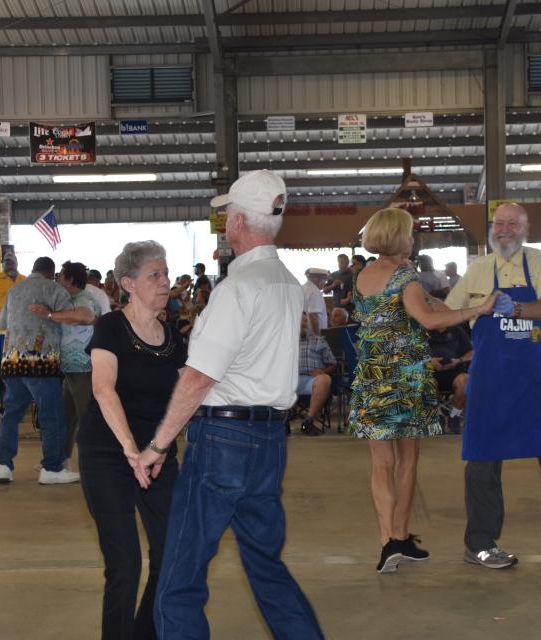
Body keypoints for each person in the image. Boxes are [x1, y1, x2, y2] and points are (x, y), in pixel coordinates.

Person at [135, 170, 324, 639]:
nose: (223, 223)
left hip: (223, 440)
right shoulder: (285, 280)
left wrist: (157, 447)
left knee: (181, 575)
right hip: (268, 440)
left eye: (225, 216)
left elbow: (201, 377)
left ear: (238, 221)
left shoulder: (237, 288)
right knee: (266, 567)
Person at [351, 207, 499, 573]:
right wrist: (478, 310)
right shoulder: (404, 276)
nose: (413, 237)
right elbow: (429, 319)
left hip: (371, 375)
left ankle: (390, 541)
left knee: (380, 464)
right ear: (400, 237)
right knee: (407, 461)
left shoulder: (364, 274)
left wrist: (455, 306)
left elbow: (428, 305)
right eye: (410, 232)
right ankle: (396, 537)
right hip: (405, 377)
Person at [446, 202, 541, 569]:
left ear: (526, 229)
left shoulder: (540, 262)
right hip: (489, 382)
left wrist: (514, 309)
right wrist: (407, 291)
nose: (503, 229)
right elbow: (446, 312)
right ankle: (481, 543)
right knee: (482, 461)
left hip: (535, 380)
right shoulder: (477, 270)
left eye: (512, 224)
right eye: (498, 223)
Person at [75, 241, 185, 640]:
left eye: (166, 274)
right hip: (109, 453)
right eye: (154, 275)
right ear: (128, 283)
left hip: (156, 456)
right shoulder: (110, 328)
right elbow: (104, 389)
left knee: (170, 554)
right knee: (124, 565)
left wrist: (156, 450)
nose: (165, 282)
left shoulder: (174, 338)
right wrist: (130, 450)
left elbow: (181, 399)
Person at [0, 257, 78, 485]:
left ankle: (3, 465)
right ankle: (51, 468)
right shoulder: (54, 289)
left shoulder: (13, 291)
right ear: (51, 273)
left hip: (12, 361)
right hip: (41, 362)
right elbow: (71, 317)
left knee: (11, 414)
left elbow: (2, 323)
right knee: (51, 415)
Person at [30, 261, 99, 472]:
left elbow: (86, 317)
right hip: (70, 371)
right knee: (67, 419)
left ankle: (95, 464)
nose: (58, 279)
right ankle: (60, 461)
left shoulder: (85, 299)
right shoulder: (70, 300)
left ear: (69, 280)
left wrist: (49, 315)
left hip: (84, 370)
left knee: (87, 419)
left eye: (61, 276)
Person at [426, 324, 473, 434]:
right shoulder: (421, 330)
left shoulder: (457, 331)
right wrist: (428, 360)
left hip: (454, 371)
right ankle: (438, 416)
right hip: (430, 371)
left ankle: (454, 416)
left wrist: (459, 360)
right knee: (426, 383)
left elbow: (471, 352)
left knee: (466, 382)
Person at [295, 313, 336, 436]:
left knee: (324, 380)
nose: (303, 324)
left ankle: (308, 420)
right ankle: (283, 419)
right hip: (288, 380)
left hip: (311, 379)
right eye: (299, 321)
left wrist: (323, 371)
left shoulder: (318, 340)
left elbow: (333, 363)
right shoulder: (283, 340)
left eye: (304, 321)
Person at [302, 267, 329, 334]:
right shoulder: (314, 291)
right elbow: (313, 315)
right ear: (317, 279)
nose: (325, 283)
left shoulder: (302, 288)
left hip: (305, 331)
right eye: (324, 280)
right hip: (314, 334)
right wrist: (317, 336)